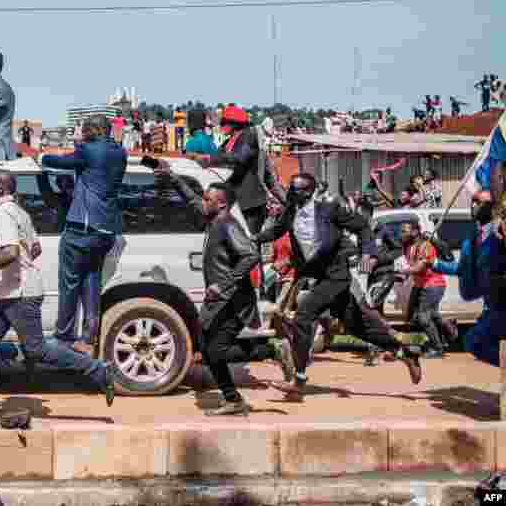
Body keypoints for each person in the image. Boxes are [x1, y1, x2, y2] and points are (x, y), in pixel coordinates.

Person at [0, 171, 115, 423]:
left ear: (3, 188)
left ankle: (97, 369)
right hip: (11, 290)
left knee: (37, 349)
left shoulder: (2, 213)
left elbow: (11, 251)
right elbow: (34, 248)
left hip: (19, 293)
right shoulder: (19, 212)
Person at [256, 172, 423, 399]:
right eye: (292, 189)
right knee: (357, 327)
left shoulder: (329, 209)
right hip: (316, 276)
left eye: (299, 190)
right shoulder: (290, 210)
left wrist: (368, 252)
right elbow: (276, 231)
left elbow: (362, 226)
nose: (294, 193)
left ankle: (299, 380)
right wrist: (252, 238)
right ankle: (405, 353)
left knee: (304, 316)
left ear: (311, 191)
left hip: (335, 276)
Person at [159, 166, 295, 414]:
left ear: (221, 205)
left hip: (232, 300)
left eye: (208, 199)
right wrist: (171, 176)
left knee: (214, 351)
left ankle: (268, 353)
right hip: (219, 299)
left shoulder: (228, 225)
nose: (203, 202)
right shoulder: (214, 218)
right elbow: (192, 200)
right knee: (207, 348)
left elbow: (250, 255)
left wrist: (223, 284)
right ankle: (235, 394)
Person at [38, 115, 127, 356]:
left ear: (93, 131)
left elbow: (58, 161)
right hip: (106, 229)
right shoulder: (119, 152)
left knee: (69, 284)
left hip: (82, 228)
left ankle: (64, 336)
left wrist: (41, 157)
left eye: (83, 129)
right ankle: (88, 338)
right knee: (91, 281)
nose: (80, 132)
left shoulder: (88, 151)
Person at [433, 190, 506, 366]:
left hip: (502, 303)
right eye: (472, 201)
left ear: (493, 207)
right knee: (474, 343)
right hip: (491, 304)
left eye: (479, 202)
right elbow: (462, 268)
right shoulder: (473, 237)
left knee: (474, 341)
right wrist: (434, 263)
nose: (473, 205)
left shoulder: (500, 233)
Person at [188, 105, 284, 234]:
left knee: (247, 241)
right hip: (234, 202)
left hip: (250, 204)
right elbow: (219, 159)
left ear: (233, 124)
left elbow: (238, 158)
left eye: (224, 122)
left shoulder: (249, 137)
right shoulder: (229, 142)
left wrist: (208, 158)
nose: (222, 126)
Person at [400, 222, 456, 358]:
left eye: (404, 231)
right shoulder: (408, 247)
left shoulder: (426, 246)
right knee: (413, 316)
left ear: (414, 232)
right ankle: (447, 325)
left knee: (424, 317)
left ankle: (437, 348)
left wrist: (403, 271)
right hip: (420, 285)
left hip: (433, 285)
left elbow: (419, 268)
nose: (401, 234)